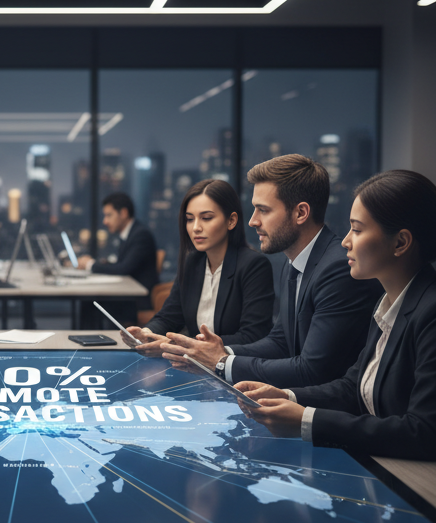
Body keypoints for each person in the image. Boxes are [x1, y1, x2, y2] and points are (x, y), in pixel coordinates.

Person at [234, 170, 436, 512]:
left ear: (400, 242)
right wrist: (288, 396)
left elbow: (423, 434)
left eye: (356, 230)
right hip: (400, 480)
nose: (345, 242)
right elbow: (354, 385)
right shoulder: (390, 302)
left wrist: (306, 419)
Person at [161, 154, 380, 387]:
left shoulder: (338, 269)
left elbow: (313, 370)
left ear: (301, 213)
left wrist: (222, 362)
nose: (253, 221)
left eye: (263, 210)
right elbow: (281, 342)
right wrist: (216, 350)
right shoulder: (293, 263)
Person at [126, 179, 274, 351]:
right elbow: (168, 317)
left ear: (231, 221)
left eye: (206, 218)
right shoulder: (193, 263)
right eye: (189, 219)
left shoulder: (254, 266)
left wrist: (180, 344)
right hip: (191, 365)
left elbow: (253, 336)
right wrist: (146, 334)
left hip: (233, 369)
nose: (195, 227)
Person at [76, 192, 160, 326]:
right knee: (89, 301)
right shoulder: (129, 233)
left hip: (138, 302)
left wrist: (91, 264)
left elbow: (123, 269)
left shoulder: (140, 234)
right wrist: (101, 264)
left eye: (109, 215)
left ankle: (90, 344)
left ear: (124, 213)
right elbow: (123, 264)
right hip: (128, 297)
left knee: (90, 303)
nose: (105, 221)